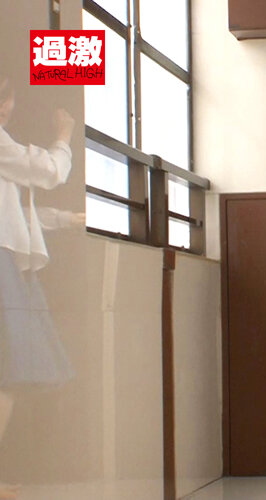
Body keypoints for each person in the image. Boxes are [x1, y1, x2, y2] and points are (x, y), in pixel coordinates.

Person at [0, 74, 77, 499]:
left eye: (6, 97)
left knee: (10, 374)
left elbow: (17, 214)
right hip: (4, 266)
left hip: (9, 264)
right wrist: (64, 136)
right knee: (10, 373)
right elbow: (49, 170)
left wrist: (68, 220)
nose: (5, 107)